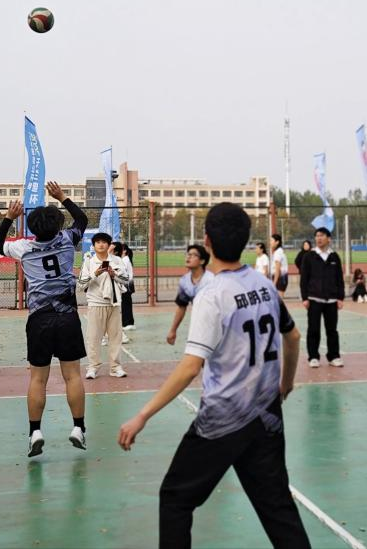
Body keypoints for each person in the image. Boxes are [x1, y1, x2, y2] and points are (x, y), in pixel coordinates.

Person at [118, 203, 310, 549]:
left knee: (175, 499)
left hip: (223, 420)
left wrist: (142, 415)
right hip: (266, 415)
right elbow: (293, 337)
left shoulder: (212, 295)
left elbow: (191, 366)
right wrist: (286, 383)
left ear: (206, 241)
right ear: (246, 240)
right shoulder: (264, 285)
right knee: (277, 508)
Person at [0, 181, 88, 458]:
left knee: (38, 379)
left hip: (39, 319)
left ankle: (35, 432)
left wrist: (9, 217)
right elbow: (82, 219)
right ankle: (78, 427)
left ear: (33, 227)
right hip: (67, 317)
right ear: (58, 225)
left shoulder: (23, 247)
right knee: (72, 375)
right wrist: (62, 197)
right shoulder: (67, 240)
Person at [78, 233, 130, 379]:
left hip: (114, 304)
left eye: (104, 242)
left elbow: (126, 280)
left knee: (115, 338)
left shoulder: (117, 260)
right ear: (93, 245)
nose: (101, 245)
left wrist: (114, 275)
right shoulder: (89, 262)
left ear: (108, 245)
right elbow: (81, 285)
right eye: (98, 242)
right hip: (96, 304)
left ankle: (115, 367)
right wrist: (95, 273)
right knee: (94, 338)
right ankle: (93, 367)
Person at [300, 227, 345, 368]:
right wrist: (305, 298)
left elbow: (339, 278)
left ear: (329, 239)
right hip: (314, 298)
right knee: (313, 329)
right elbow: (304, 279)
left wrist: (340, 297)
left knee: (332, 330)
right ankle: (313, 357)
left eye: (322, 235)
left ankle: (334, 356)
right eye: (317, 236)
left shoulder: (334, 256)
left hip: (331, 299)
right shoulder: (309, 256)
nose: (319, 238)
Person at [166, 245, 214, 346]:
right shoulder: (184, 281)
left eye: (193, 255)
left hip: (215, 325)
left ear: (202, 261)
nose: (188, 257)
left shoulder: (211, 281)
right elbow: (182, 306)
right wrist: (173, 330)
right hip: (198, 326)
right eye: (188, 254)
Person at [115, 242, 136, 331]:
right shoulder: (125, 259)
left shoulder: (124, 260)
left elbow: (120, 273)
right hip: (127, 285)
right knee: (126, 304)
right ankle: (128, 323)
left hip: (126, 285)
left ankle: (127, 323)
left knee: (125, 305)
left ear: (124, 251)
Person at [271, 233, 289, 298]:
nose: (270, 243)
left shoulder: (278, 252)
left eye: (271, 241)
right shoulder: (279, 251)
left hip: (280, 278)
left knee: (279, 300)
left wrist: (274, 283)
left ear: (277, 242)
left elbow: (277, 268)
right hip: (281, 278)